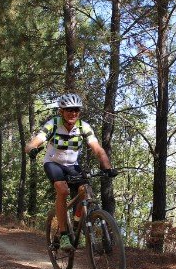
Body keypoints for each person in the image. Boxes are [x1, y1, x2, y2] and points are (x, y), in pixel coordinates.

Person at [25, 93, 117, 251]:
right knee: (62, 190)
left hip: (72, 165)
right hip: (53, 163)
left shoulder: (83, 127)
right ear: (61, 111)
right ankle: (64, 235)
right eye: (69, 110)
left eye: (76, 110)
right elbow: (34, 141)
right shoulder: (53, 124)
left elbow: (98, 149)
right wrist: (31, 149)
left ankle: (75, 224)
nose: (73, 113)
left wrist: (107, 167)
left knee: (85, 191)